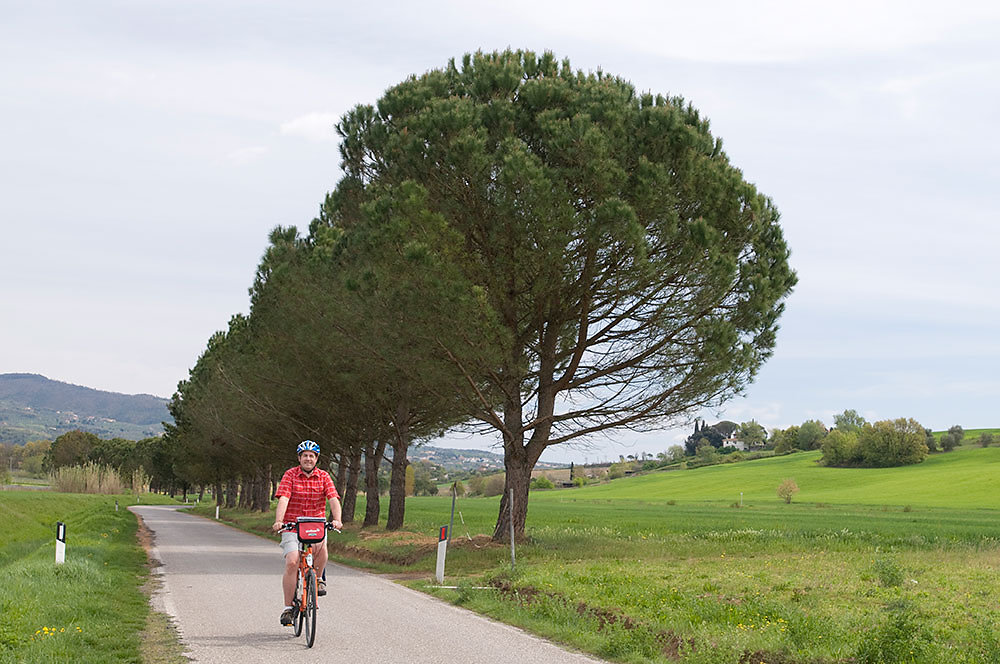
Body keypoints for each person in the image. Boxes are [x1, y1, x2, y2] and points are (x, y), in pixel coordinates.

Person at [272, 440, 343, 627]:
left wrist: (337, 519)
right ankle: (288, 608)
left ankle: (318, 579)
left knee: (321, 548)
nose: (308, 459)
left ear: (317, 459)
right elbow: (284, 499)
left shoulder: (324, 477)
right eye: (305, 455)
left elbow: (333, 499)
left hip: (315, 524)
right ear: (299, 458)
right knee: (293, 561)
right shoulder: (290, 475)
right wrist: (279, 521)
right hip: (293, 525)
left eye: (312, 456)